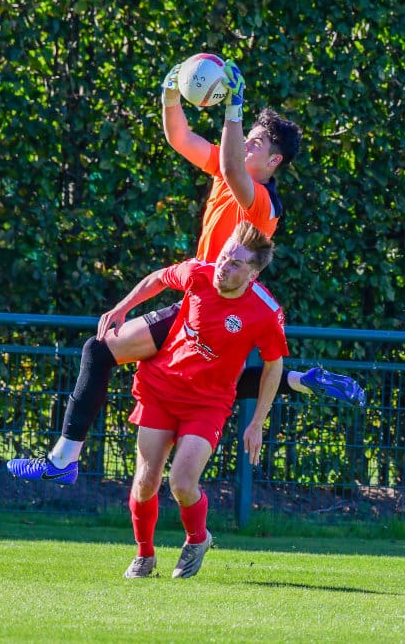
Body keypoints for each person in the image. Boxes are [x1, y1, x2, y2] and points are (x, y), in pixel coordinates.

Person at [8, 58, 364, 485]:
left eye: (255, 142)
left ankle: (63, 461)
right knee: (193, 376)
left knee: (106, 353)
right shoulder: (225, 171)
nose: (245, 143)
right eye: (245, 137)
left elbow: (232, 168)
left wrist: (233, 106)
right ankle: (302, 380)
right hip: (199, 301)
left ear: (274, 161)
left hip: (218, 307)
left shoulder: (264, 205)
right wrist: (170, 93)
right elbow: (179, 137)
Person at [115, 222, 287, 579]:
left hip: (208, 404)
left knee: (181, 484)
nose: (223, 266)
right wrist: (123, 308)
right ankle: (144, 555)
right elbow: (158, 279)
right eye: (224, 256)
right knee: (145, 481)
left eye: (236, 263)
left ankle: (197, 539)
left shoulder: (265, 311)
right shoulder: (198, 274)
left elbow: (274, 365)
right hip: (160, 388)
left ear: (253, 274)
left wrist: (257, 423)